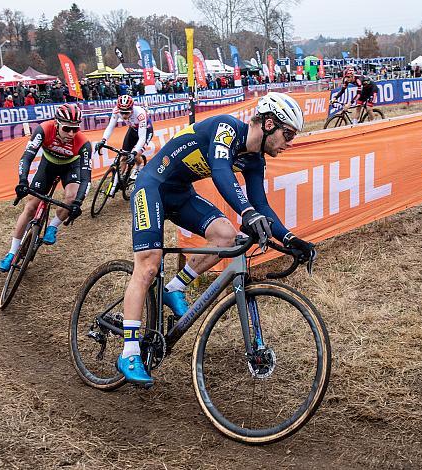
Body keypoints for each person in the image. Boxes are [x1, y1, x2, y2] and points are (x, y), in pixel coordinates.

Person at [116, 92, 316, 385]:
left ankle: (174, 288)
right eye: (288, 134)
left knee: (226, 237)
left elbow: (261, 205)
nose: (290, 142)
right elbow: (222, 172)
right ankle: (129, 352)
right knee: (148, 266)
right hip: (152, 185)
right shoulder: (227, 128)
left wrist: (290, 240)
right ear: (270, 124)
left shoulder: (254, 160)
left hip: (180, 193)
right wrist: (245, 212)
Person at [0, 104, 91, 271]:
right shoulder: (43, 129)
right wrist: (23, 181)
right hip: (48, 165)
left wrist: (78, 202)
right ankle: (11, 253)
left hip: (71, 167)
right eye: (67, 128)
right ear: (57, 124)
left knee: (71, 198)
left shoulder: (83, 143)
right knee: (31, 207)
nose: (71, 134)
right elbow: (26, 157)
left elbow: (86, 178)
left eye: (75, 129)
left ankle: (53, 226)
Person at [94, 94, 153, 186]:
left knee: (136, 154)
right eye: (122, 113)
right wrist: (103, 140)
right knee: (124, 156)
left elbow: (142, 137)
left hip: (145, 131)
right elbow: (110, 126)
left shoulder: (140, 114)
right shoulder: (116, 110)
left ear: (132, 109)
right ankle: (118, 180)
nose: (124, 115)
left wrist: (134, 152)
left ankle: (137, 168)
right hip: (133, 130)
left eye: (127, 113)